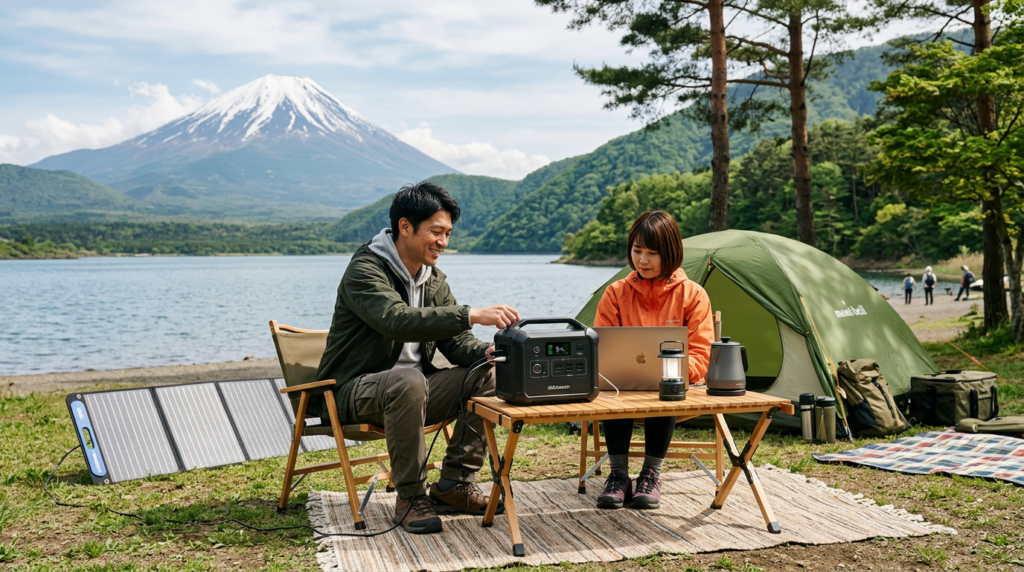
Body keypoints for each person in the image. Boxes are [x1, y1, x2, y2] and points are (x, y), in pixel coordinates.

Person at [316, 182, 521, 535]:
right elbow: (395, 321)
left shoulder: (434, 280)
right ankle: (411, 496)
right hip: (353, 391)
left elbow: (455, 342)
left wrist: (485, 352)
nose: (443, 241)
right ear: (405, 227)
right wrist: (471, 313)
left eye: (447, 233)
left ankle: (455, 484)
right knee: (408, 380)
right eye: (436, 231)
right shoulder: (365, 270)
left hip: (415, 392)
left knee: (484, 373)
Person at [592, 211, 714, 510]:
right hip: (621, 387)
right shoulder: (616, 293)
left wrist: (675, 372)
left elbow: (702, 355)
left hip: (671, 388)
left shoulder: (693, 295)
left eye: (652, 253)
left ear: (670, 253)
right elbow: (600, 347)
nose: (642, 260)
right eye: (636, 251)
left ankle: (651, 474)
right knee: (614, 390)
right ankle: (618, 476)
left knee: (666, 384)